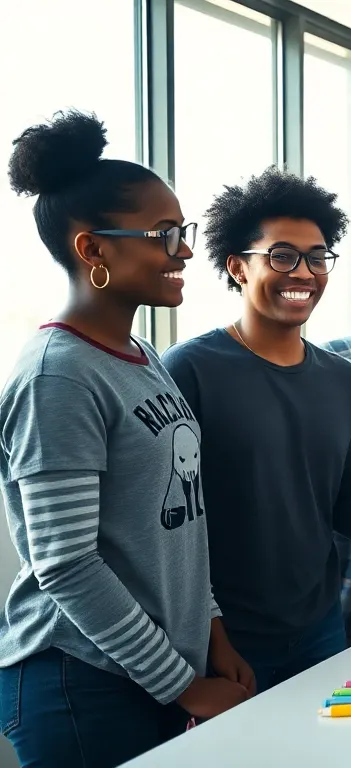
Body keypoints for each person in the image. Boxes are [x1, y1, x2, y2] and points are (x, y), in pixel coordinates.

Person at [0, 111, 250, 766]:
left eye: (183, 231)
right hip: (79, 679)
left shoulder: (138, 353)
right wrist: (185, 685)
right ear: (93, 250)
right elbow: (65, 563)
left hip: (148, 670)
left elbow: (174, 515)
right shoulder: (59, 375)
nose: (186, 251)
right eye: (165, 235)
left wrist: (211, 631)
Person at [161, 166, 351, 693]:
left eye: (317, 257)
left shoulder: (342, 378)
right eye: (282, 256)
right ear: (238, 267)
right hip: (223, 639)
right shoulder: (188, 370)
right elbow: (167, 524)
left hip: (321, 629)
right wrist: (211, 633)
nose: (303, 272)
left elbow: (345, 497)